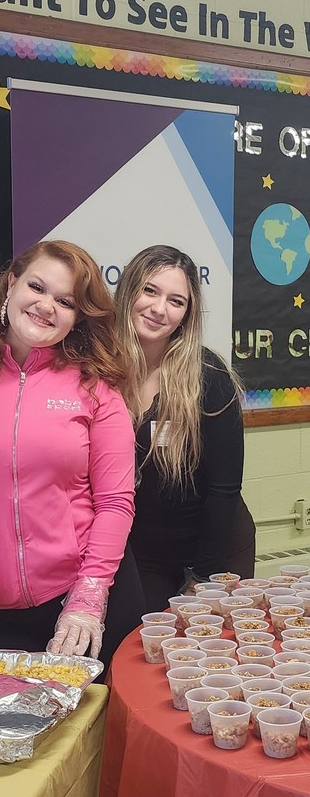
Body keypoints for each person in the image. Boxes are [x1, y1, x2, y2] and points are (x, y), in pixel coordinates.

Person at [0, 239, 143, 665]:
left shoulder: (97, 392)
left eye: (65, 300)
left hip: (83, 603)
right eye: (37, 287)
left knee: (93, 729)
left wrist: (90, 594)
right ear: (11, 285)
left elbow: (115, 503)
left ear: (77, 317)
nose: (46, 305)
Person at [114, 245, 255, 613]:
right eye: (150, 291)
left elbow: (224, 490)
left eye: (176, 301)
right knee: (136, 649)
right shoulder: (100, 368)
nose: (159, 309)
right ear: (128, 290)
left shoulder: (208, 377)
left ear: (186, 314)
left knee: (204, 659)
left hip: (214, 548)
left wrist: (202, 578)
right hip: (140, 552)